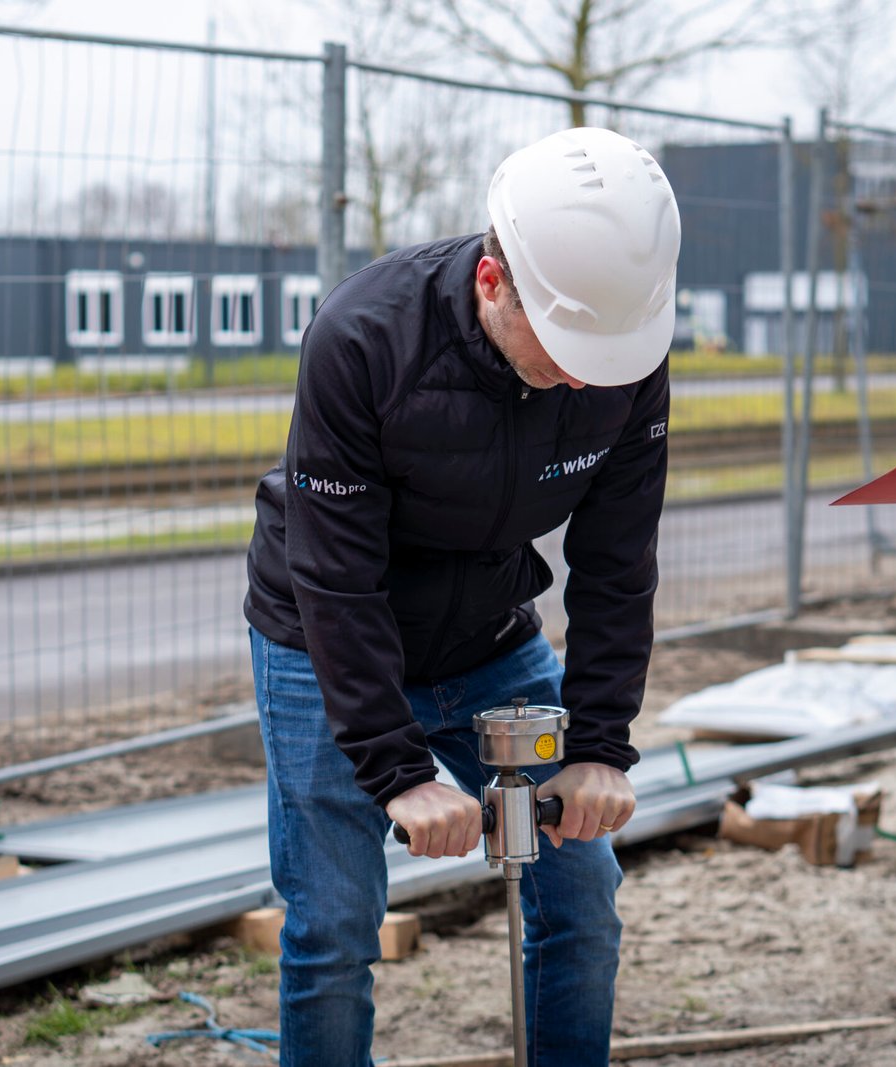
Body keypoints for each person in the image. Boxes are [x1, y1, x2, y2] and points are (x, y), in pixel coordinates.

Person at [243, 126, 682, 1066]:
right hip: (324, 637)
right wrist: (397, 769)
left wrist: (600, 746)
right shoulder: (363, 339)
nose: (582, 376)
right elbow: (337, 578)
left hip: (488, 629)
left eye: (604, 355)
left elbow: (618, 562)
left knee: (582, 895)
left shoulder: (623, 355)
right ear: (493, 283)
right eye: (564, 346)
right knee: (335, 927)